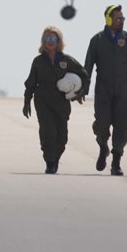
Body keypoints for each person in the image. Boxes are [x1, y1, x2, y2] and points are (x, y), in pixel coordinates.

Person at [83, 4, 127, 176]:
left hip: (123, 90)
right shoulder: (97, 40)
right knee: (101, 123)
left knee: (122, 126)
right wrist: (83, 89)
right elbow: (87, 66)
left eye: (122, 19)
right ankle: (103, 147)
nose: (121, 21)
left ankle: (116, 160)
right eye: (118, 19)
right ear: (109, 19)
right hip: (103, 89)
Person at [23, 26, 89, 174]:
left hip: (61, 101)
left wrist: (79, 93)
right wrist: (27, 101)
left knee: (62, 136)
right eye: (47, 39)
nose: (50, 42)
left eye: (53, 39)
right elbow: (31, 82)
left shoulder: (67, 60)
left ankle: (56, 158)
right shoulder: (38, 61)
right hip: (42, 99)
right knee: (48, 131)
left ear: (58, 41)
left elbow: (84, 75)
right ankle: (50, 162)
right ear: (43, 41)